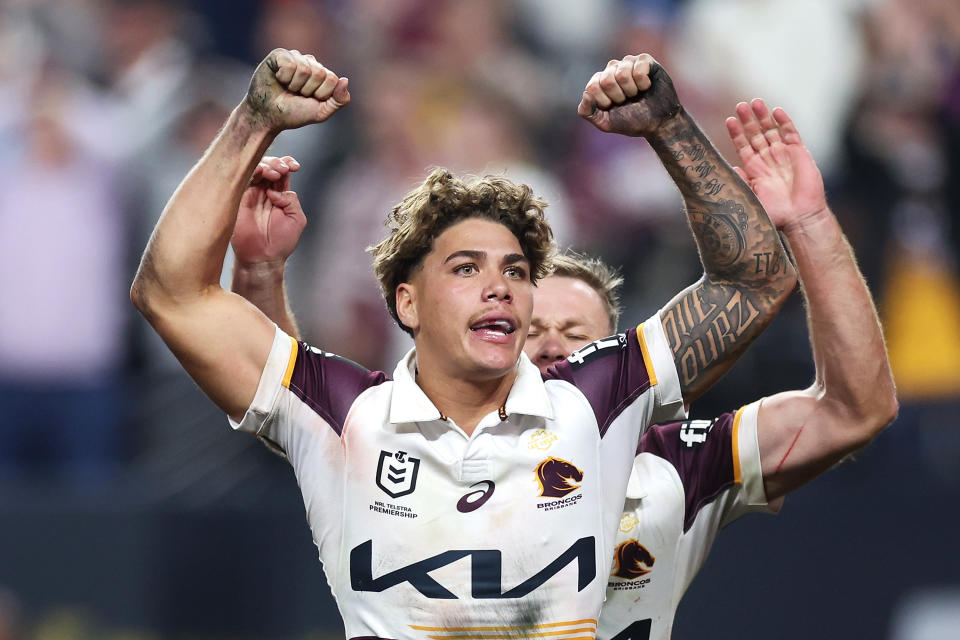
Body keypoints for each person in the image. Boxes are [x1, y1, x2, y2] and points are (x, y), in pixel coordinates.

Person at [132, 49, 795, 635]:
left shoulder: (596, 395)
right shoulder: (343, 415)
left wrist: (670, 129)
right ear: (407, 302)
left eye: (515, 270)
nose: (500, 286)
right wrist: (253, 121)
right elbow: (169, 292)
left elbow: (756, 282)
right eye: (466, 268)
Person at [234, 100, 899, 639]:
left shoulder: (680, 466)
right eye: (530, 331)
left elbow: (855, 409)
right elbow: (290, 414)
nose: (553, 350)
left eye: (577, 339)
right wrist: (261, 273)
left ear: (618, 364)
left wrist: (809, 223)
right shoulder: (422, 451)